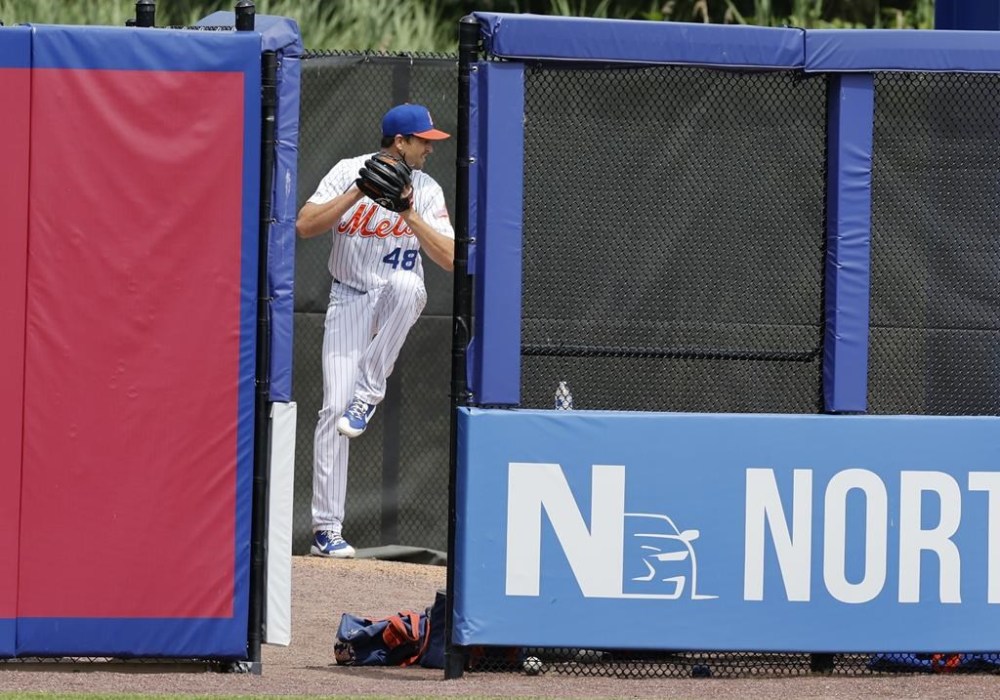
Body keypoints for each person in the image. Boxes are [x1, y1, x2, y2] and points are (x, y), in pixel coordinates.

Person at [295, 103, 454, 558]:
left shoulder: (424, 188)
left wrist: (410, 215)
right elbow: (305, 225)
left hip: (393, 298)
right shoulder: (348, 170)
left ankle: (370, 390)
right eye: (423, 140)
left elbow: (450, 258)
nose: (429, 148)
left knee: (408, 284)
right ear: (399, 142)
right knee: (332, 411)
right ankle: (326, 531)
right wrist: (356, 192)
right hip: (348, 298)